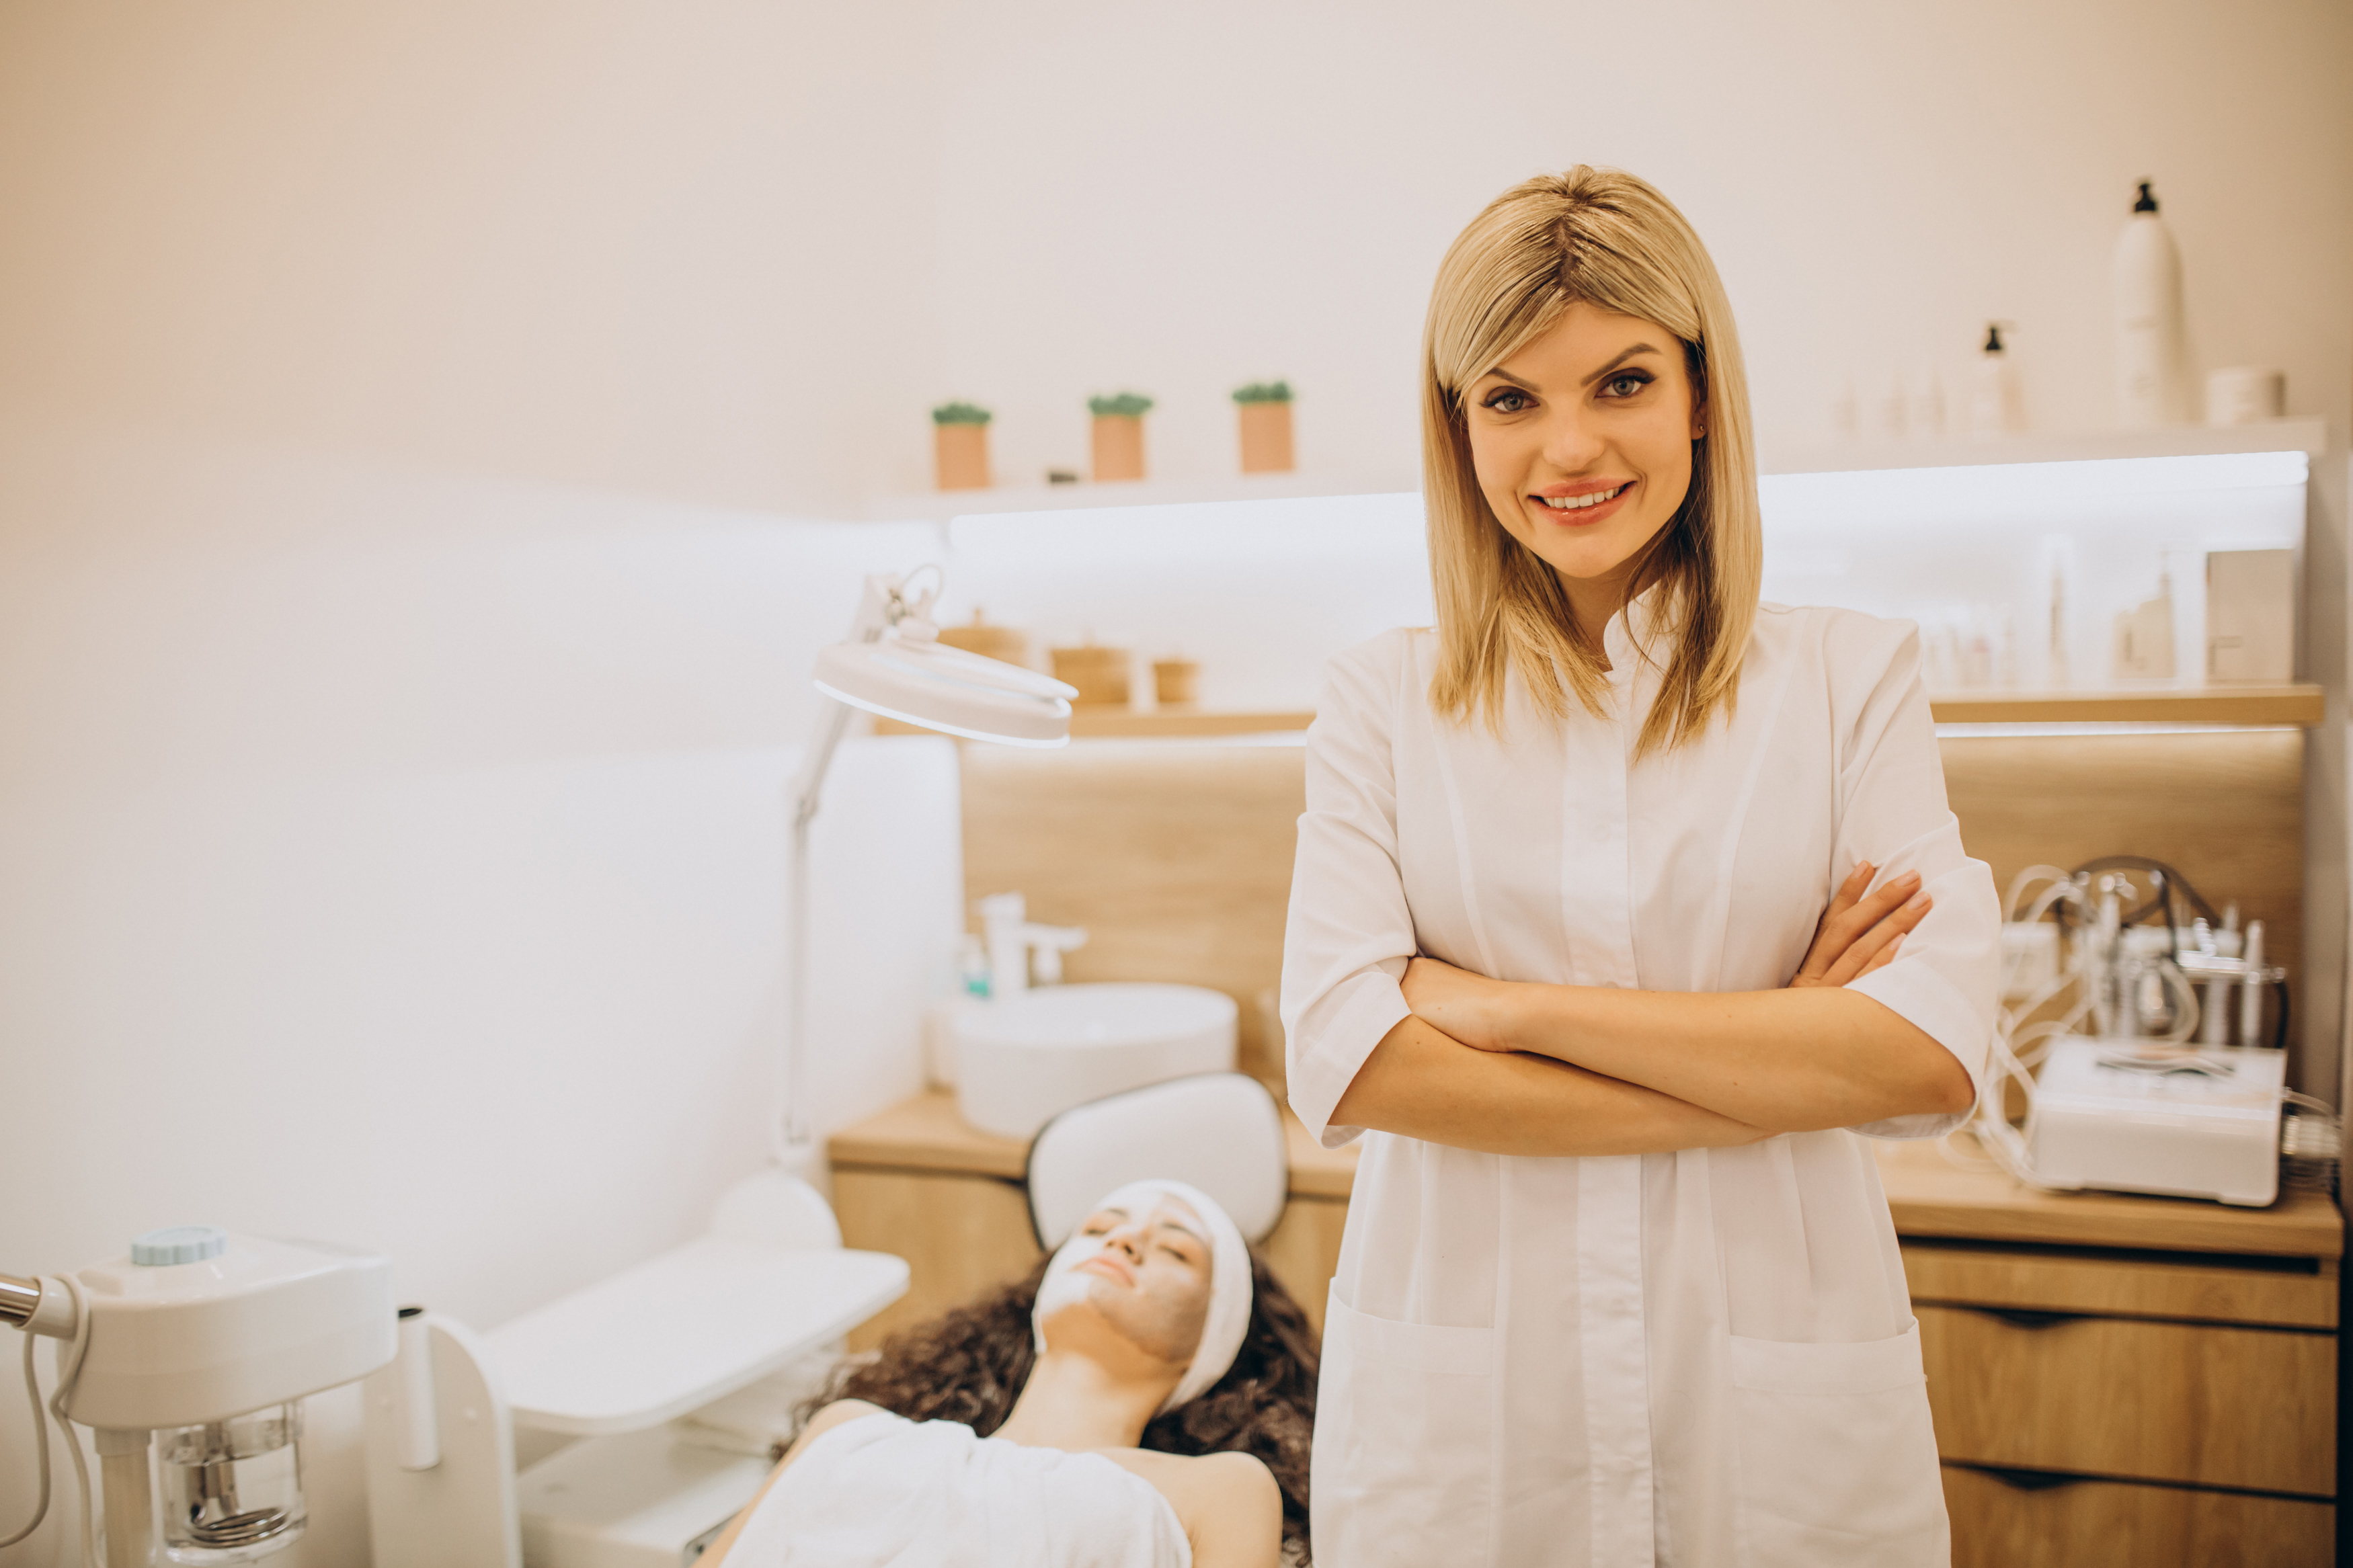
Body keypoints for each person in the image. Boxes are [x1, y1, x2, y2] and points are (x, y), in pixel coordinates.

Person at [1280, 165, 1999, 1567]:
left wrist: (1500, 1007)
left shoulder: (1849, 678)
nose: (1566, 447)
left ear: (1698, 396)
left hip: (1767, 1411)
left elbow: (1924, 1055)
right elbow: (1351, 1062)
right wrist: (1777, 1054)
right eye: (1511, 397)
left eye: (1617, 383)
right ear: (1457, 426)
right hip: (1474, 1427)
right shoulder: (1380, 700)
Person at [701, 1180, 1317, 1567]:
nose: (1125, 1239)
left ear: (1217, 1341)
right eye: (1100, 1228)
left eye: (1176, 1249)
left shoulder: (1216, 1491)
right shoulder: (853, 1433)